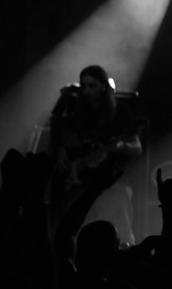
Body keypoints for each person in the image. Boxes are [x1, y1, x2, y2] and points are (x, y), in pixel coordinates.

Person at [49, 64, 142, 245]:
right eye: (84, 86)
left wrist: (121, 145)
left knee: (119, 237)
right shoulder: (76, 113)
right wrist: (61, 152)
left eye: (92, 86)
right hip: (82, 185)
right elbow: (65, 140)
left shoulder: (120, 112)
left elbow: (137, 148)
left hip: (113, 185)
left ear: (104, 87)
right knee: (80, 237)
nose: (86, 91)